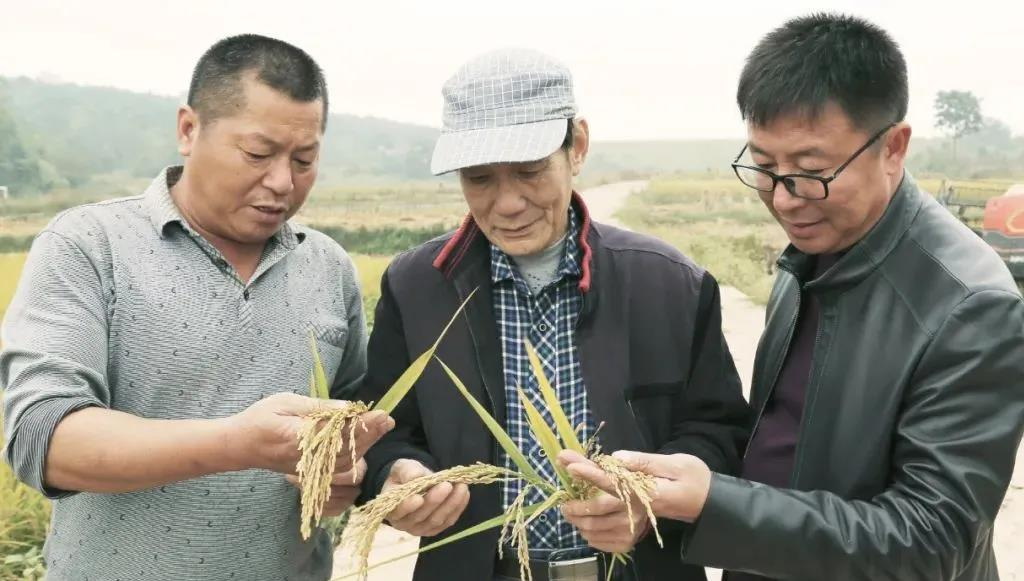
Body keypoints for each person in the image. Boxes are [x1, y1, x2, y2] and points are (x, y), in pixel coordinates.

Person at [559, 13, 1024, 581]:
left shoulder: (969, 305)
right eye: (763, 166)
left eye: (810, 171)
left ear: (894, 148)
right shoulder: (809, 257)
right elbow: (776, 451)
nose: (783, 199)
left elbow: (930, 541)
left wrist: (714, 503)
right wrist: (672, 502)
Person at [1, 34, 392, 580]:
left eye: (304, 159)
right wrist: (238, 444)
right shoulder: (89, 245)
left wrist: (346, 475)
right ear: (189, 130)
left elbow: (353, 420)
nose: (282, 182)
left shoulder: (327, 266)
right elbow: (43, 439)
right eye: (258, 154)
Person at [357, 48, 751, 581]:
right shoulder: (415, 287)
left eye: (529, 171)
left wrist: (648, 498)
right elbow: (383, 432)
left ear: (578, 147)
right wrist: (394, 474)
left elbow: (717, 430)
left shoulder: (669, 283)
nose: (508, 203)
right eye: (479, 178)